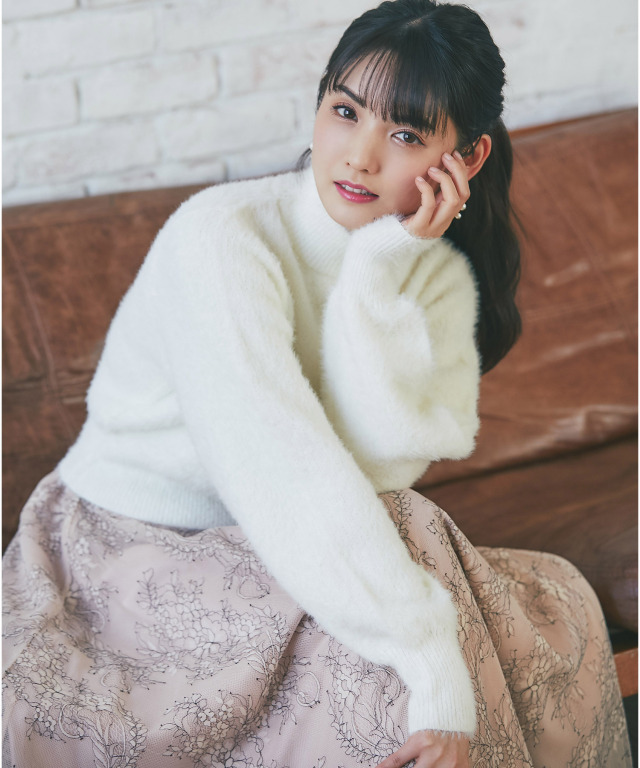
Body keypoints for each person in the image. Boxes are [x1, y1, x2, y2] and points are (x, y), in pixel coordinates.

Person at [2, 1, 631, 766]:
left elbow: (383, 467)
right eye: (345, 111)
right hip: (132, 546)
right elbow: (284, 471)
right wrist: (431, 669)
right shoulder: (221, 238)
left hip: (275, 537)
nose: (359, 157)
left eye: (405, 135)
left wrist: (382, 273)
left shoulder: (413, 264)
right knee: (397, 674)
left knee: (496, 585)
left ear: (465, 159)